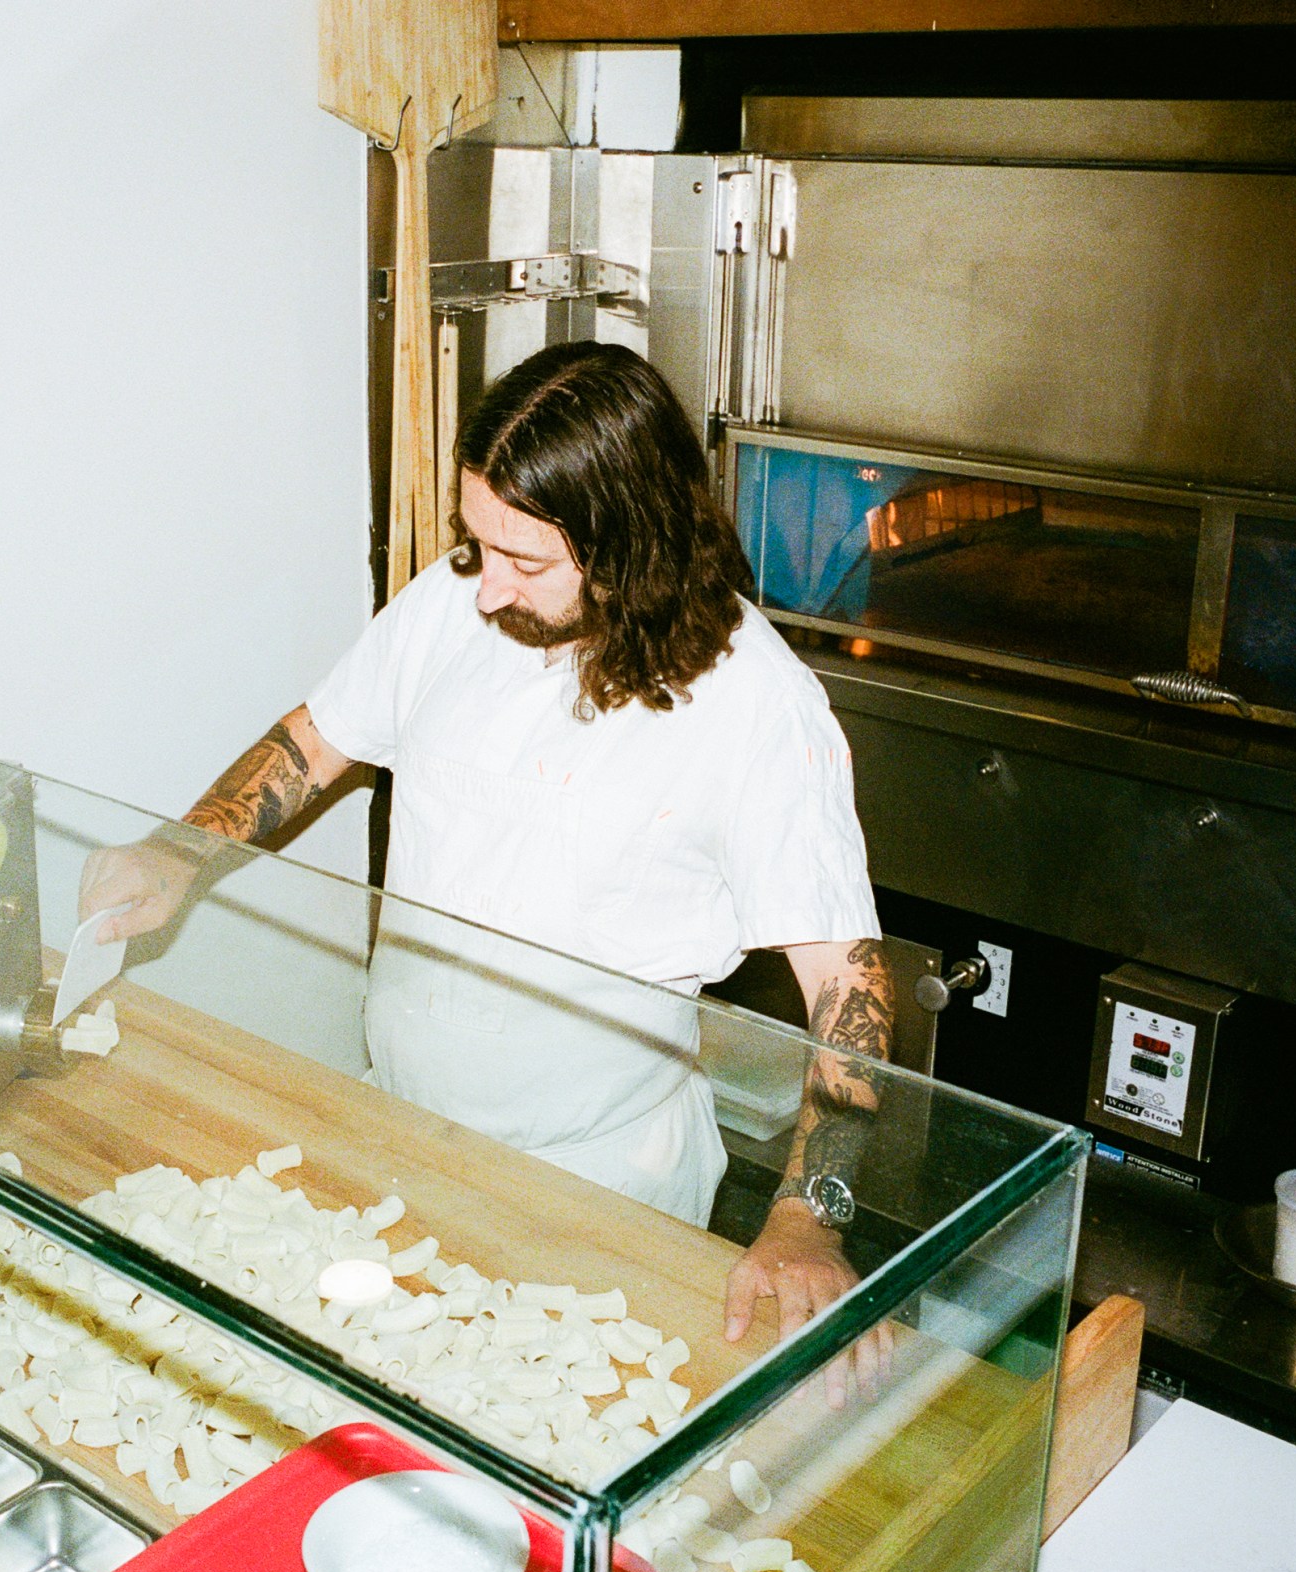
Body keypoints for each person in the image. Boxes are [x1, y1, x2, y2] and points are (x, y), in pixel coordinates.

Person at [81, 342, 894, 1389]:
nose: (483, 585)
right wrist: (177, 853)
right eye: (479, 543)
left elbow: (851, 986)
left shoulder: (757, 706)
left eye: (525, 559)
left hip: (600, 1185)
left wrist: (806, 1216)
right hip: (399, 1131)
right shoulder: (463, 598)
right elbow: (314, 741)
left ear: (629, 543)